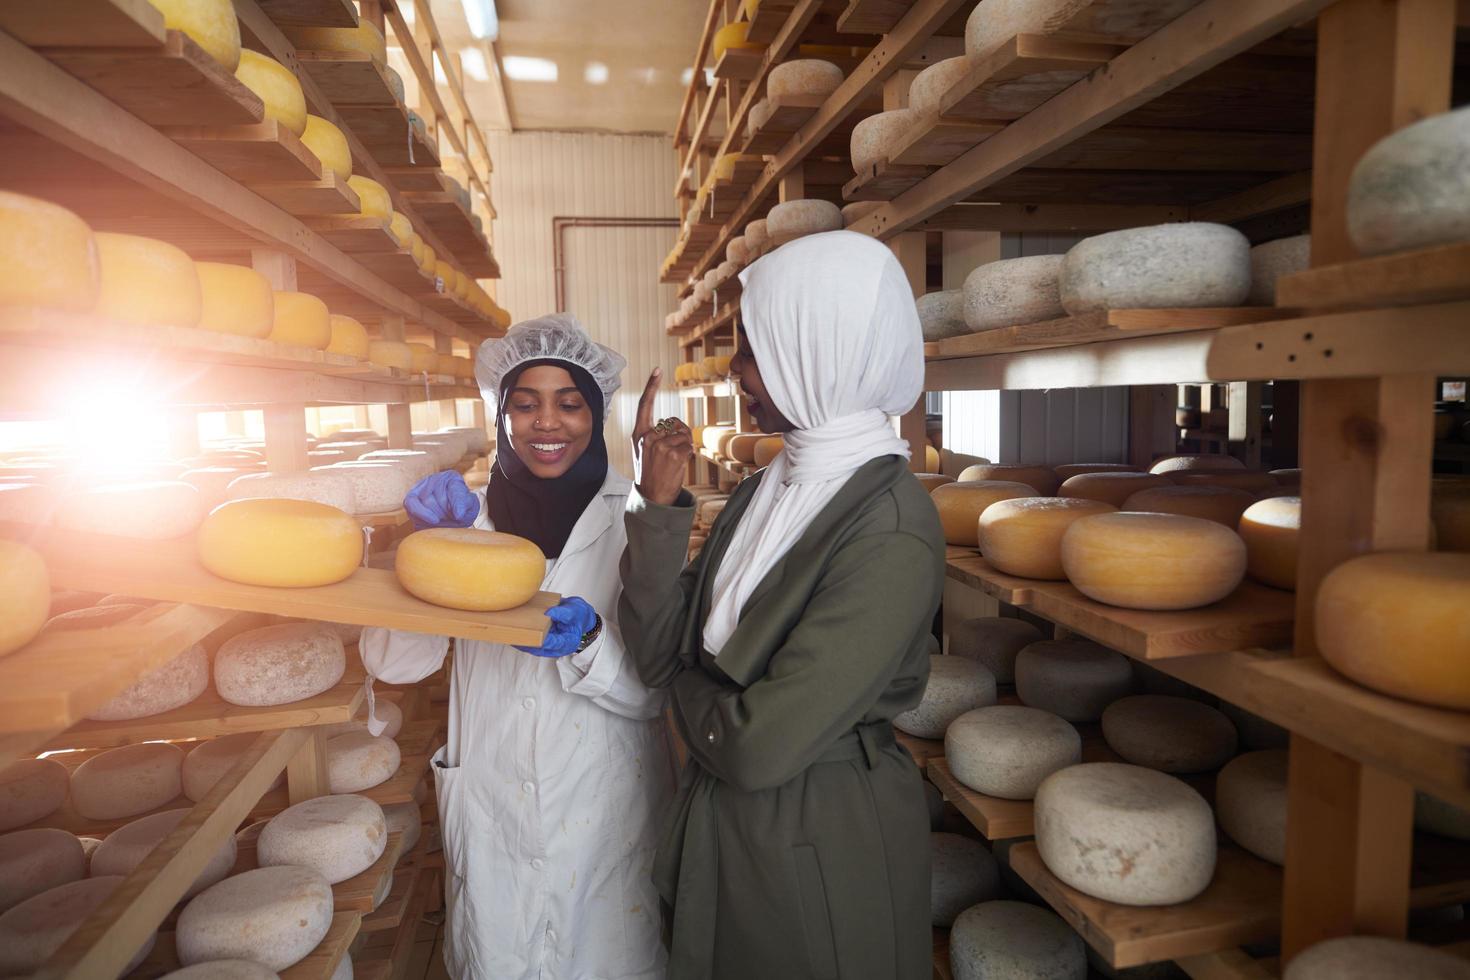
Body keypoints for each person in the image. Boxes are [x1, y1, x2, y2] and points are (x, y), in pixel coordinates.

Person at [618, 231, 944, 979]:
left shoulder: (889, 529)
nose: (735, 373)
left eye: (753, 350)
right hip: (726, 823)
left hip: (815, 836)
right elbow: (659, 651)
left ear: (820, 351)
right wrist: (659, 506)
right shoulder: (771, 485)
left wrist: (685, 695)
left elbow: (759, 746)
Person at [360, 314, 675, 980]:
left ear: (597, 412)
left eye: (569, 403)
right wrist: (418, 555)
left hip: (607, 794)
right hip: (493, 790)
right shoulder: (467, 520)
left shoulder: (639, 518)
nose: (547, 423)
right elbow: (393, 662)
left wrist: (590, 641)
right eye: (524, 405)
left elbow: (656, 695)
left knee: (609, 951)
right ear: (500, 416)